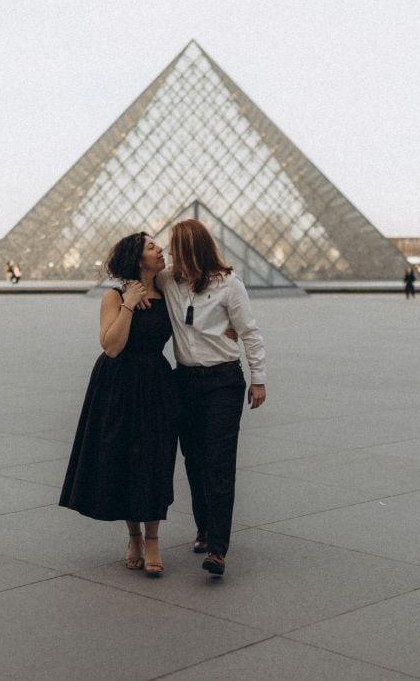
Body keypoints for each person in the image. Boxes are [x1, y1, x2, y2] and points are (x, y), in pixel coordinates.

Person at [59, 232, 176, 576]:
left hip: (156, 382)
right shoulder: (113, 297)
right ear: (138, 259)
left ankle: (153, 539)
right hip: (119, 384)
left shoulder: (169, 292)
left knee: (155, 458)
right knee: (128, 457)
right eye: (153, 248)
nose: (161, 251)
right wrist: (128, 302)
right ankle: (134, 537)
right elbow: (111, 346)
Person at [156, 219, 266, 577]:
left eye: (175, 247)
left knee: (219, 463)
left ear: (191, 249)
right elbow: (131, 276)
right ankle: (204, 528)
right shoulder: (168, 281)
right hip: (184, 380)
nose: (169, 252)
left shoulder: (229, 285)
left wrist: (258, 379)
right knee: (193, 460)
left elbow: (249, 332)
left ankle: (218, 548)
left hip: (223, 382)